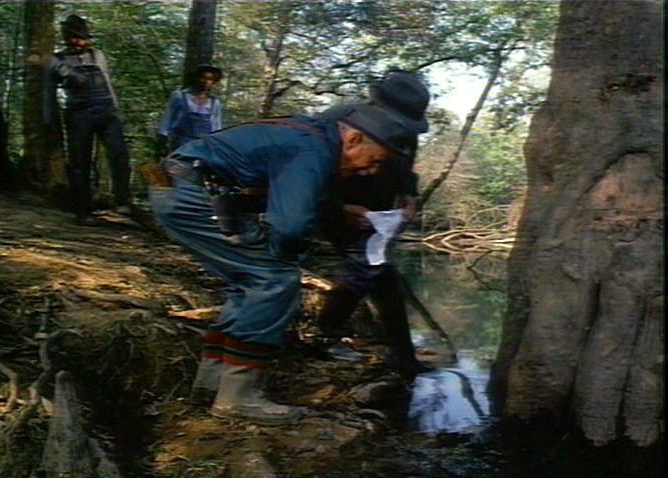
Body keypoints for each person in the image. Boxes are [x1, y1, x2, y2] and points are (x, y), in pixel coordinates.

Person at [148, 94, 425, 425]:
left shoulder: (314, 135)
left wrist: (337, 210)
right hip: (192, 196)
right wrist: (289, 261)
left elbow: (290, 190)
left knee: (249, 282)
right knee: (275, 280)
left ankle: (211, 384)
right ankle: (239, 397)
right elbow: (290, 225)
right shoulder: (314, 151)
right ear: (352, 138)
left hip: (179, 189)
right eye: (375, 160)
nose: (371, 170)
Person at [315, 70, 434, 381]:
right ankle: (323, 337)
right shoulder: (338, 120)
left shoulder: (406, 133)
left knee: (384, 279)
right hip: (340, 206)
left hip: (380, 213)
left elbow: (407, 170)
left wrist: (409, 195)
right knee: (363, 269)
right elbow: (309, 173)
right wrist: (336, 208)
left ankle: (403, 357)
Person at [43, 15, 132, 225]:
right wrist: (50, 120)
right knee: (79, 163)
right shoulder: (57, 60)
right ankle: (83, 211)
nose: (76, 42)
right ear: (65, 39)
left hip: (106, 112)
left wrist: (115, 108)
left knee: (119, 153)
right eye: (72, 38)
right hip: (78, 114)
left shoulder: (97, 55)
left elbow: (107, 82)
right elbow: (48, 93)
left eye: (80, 38)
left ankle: (123, 201)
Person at [155, 64, 223, 157]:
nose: (206, 81)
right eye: (203, 78)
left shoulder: (214, 102)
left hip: (203, 145)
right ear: (195, 78)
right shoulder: (180, 96)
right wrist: (162, 140)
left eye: (210, 79)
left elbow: (216, 126)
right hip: (181, 143)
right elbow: (167, 118)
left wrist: (216, 145)